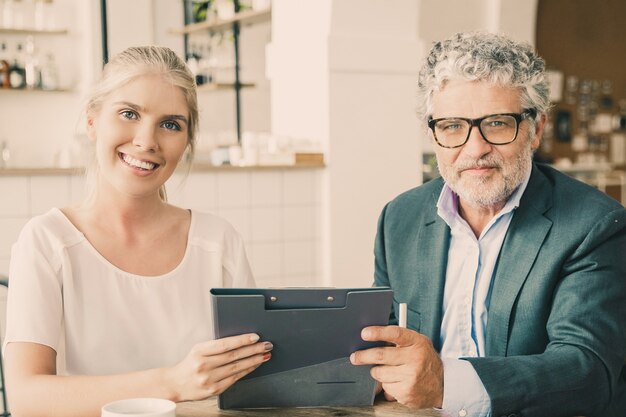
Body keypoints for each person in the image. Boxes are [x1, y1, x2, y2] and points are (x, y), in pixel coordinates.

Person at [350, 32, 626, 417]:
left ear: (536, 129)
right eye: (452, 126)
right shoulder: (399, 217)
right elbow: (383, 337)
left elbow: (587, 371)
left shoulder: (593, 224)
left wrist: (445, 383)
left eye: (497, 124)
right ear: (433, 134)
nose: (475, 148)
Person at [3, 46, 272, 417]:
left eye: (171, 124)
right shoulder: (47, 241)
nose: (147, 141)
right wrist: (173, 383)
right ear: (92, 121)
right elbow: (27, 399)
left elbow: (252, 382)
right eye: (129, 114)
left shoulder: (218, 241)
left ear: (186, 143)